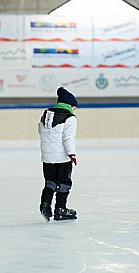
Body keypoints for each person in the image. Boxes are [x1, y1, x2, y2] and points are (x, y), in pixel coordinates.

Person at [38, 87, 79, 222]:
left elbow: (41, 131)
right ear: (69, 104)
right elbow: (68, 138)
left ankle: (45, 204)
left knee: (50, 182)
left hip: (47, 157)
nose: (75, 110)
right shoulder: (70, 118)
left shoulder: (46, 114)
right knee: (64, 182)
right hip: (62, 157)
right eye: (74, 107)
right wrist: (72, 153)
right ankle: (60, 209)